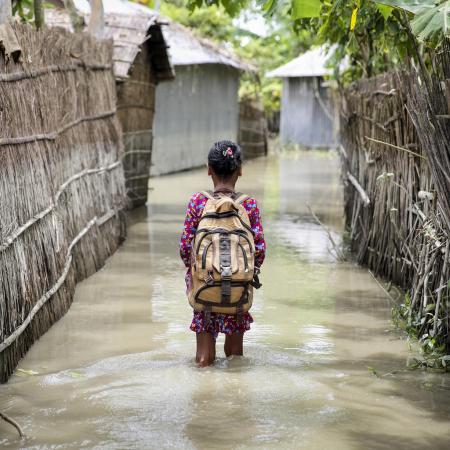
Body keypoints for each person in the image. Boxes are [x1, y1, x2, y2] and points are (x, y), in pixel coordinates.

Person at [180, 140, 266, 367]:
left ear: (209, 169)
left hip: (204, 287)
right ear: (240, 170)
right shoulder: (249, 206)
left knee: (203, 359)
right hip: (238, 290)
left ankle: (204, 395)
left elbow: (185, 248)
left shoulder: (198, 202)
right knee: (235, 357)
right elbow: (259, 251)